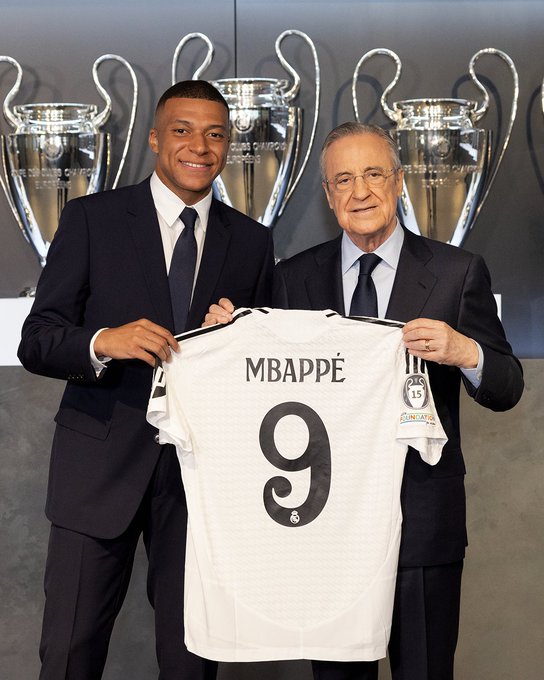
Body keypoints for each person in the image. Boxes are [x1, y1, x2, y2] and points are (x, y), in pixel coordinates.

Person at [205, 121, 524, 680]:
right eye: (344, 180)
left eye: (374, 174)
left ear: (398, 182)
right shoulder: (292, 279)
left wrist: (465, 350)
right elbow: (262, 387)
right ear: (329, 195)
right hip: (328, 530)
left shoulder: (457, 272)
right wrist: (226, 340)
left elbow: (508, 385)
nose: (360, 192)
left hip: (421, 523)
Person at [17, 80, 274, 680]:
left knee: (191, 661)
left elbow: (262, 371)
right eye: (183, 131)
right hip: (96, 471)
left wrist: (239, 337)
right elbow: (38, 339)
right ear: (155, 139)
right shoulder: (91, 219)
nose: (199, 147)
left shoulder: (252, 241)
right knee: (70, 653)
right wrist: (103, 342)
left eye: (215, 134)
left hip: (201, 481)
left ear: (227, 145)